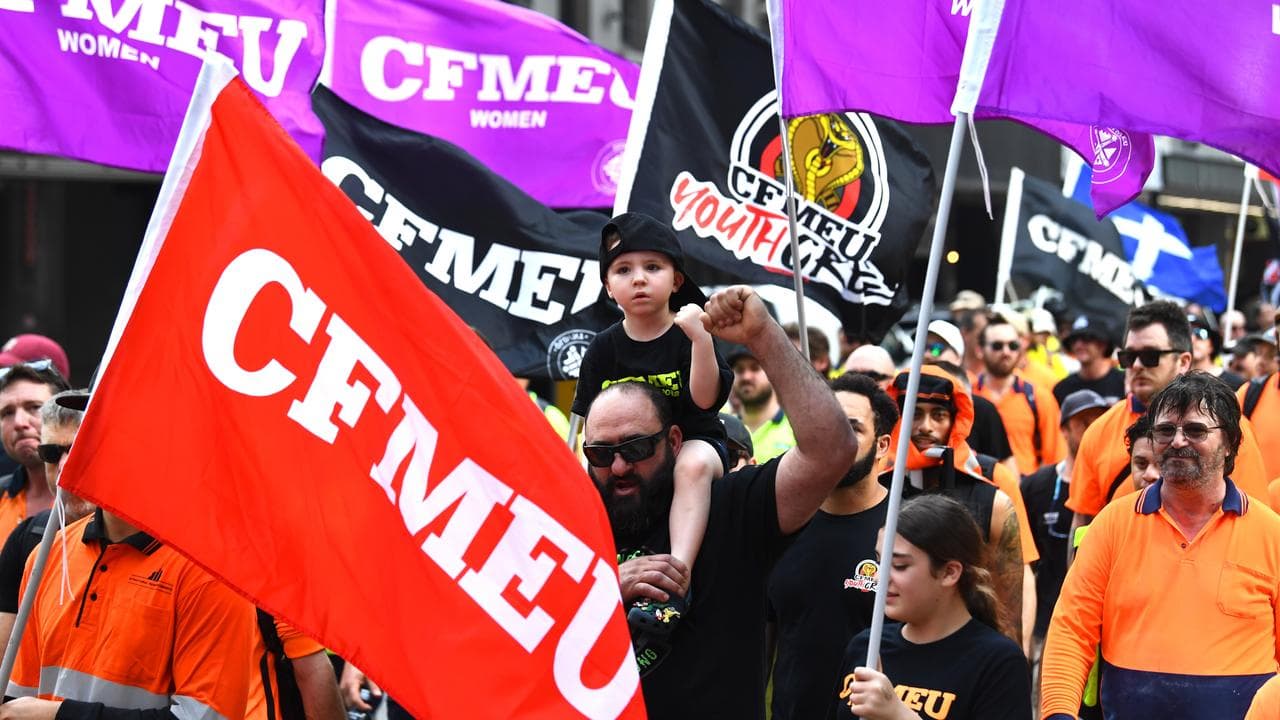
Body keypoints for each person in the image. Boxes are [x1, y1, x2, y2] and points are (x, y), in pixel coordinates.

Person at [584, 285, 856, 718]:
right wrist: (604, 588)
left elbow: (832, 450)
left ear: (675, 441)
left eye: (635, 448)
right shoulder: (568, 522)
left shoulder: (729, 508)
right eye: (600, 454)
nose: (617, 467)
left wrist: (762, 335)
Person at [1041, 372, 1280, 719]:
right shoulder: (1112, 524)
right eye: (1165, 430)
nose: (1178, 441)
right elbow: (1071, 629)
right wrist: (1058, 712)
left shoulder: (1270, 532)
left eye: (1196, 430)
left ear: (1229, 443)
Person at [571, 212, 734, 631]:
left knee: (692, 466)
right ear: (608, 287)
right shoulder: (602, 349)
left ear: (677, 281)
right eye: (623, 270)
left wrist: (701, 339)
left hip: (696, 442)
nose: (639, 279)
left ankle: (676, 579)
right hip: (627, 461)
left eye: (653, 267)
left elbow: (705, 401)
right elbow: (587, 421)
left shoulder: (688, 332)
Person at [7, 490, 255, 720]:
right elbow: (20, 696)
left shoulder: (211, 572)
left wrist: (60, 715)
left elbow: (204, 715)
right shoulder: (48, 554)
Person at [1067, 301, 1271, 537]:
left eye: (1150, 356)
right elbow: (1083, 523)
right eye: (1128, 357)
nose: (1137, 365)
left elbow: (1251, 522)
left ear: (1183, 362)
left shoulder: (1225, 429)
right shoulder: (1100, 430)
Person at [766, 373, 897, 720]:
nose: (835, 439)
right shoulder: (780, 521)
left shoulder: (906, 531)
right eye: (829, 425)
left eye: (852, 428)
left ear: (882, 445)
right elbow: (761, 640)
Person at [835, 495, 1031, 720]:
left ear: (950, 572)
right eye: (880, 561)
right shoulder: (866, 645)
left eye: (899, 565)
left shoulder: (998, 662)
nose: (882, 577)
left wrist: (899, 715)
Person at [882, 365, 1035, 648]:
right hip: (891, 646)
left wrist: (1017, 655)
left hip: (971, 652)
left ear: (955, 420)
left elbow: (1016, 582)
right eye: (915, 413)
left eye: (938, 415)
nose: (926, 426)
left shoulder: (992, 487)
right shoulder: (879, 486)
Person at [1020, 389, 1108, 695]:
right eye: (1082, 422)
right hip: (1044, 612)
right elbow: (1024, 558)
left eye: (1098, 420)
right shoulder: (1037, 485)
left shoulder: (1106, 483)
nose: (1091, 429)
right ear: (1064, 429)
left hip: (1091, 617)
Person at [0, 389, 92, 646]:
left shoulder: (154, 544)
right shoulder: (27, 539)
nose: (63, 465)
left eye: (77, 449)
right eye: (51, 453)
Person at [973, 315, 1065, 476]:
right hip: (976, 488)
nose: (1006, 352)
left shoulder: (1038, 397)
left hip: (1025, 491)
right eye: (997, 346)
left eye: (1013, 345)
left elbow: (1053, 457)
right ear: (979, 350)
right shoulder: (968, 395)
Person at [0, 362, 70, 539]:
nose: (19, 422)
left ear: (66, 415)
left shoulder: (91, 502)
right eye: (7, 412)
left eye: (34, 407)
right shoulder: (2, 496)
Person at [727, 344, 796, 462]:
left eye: (755, 368)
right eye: (739, 370)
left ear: (774, 374)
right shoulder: (725, 428)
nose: (746, 377)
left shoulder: (795, 429)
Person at [1053, 315, 1124, 405]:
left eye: (1086, 338)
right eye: (1074, 340)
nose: (1078, 345)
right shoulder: (1062, 389)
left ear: (1103, 344)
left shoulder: (1124, 383)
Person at [1189, 315, 1245, 390]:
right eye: (1188, 334)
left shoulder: (1233, 382)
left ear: (1212, 345)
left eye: (1200, 334)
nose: (1192, 339)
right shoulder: (1176, 378)